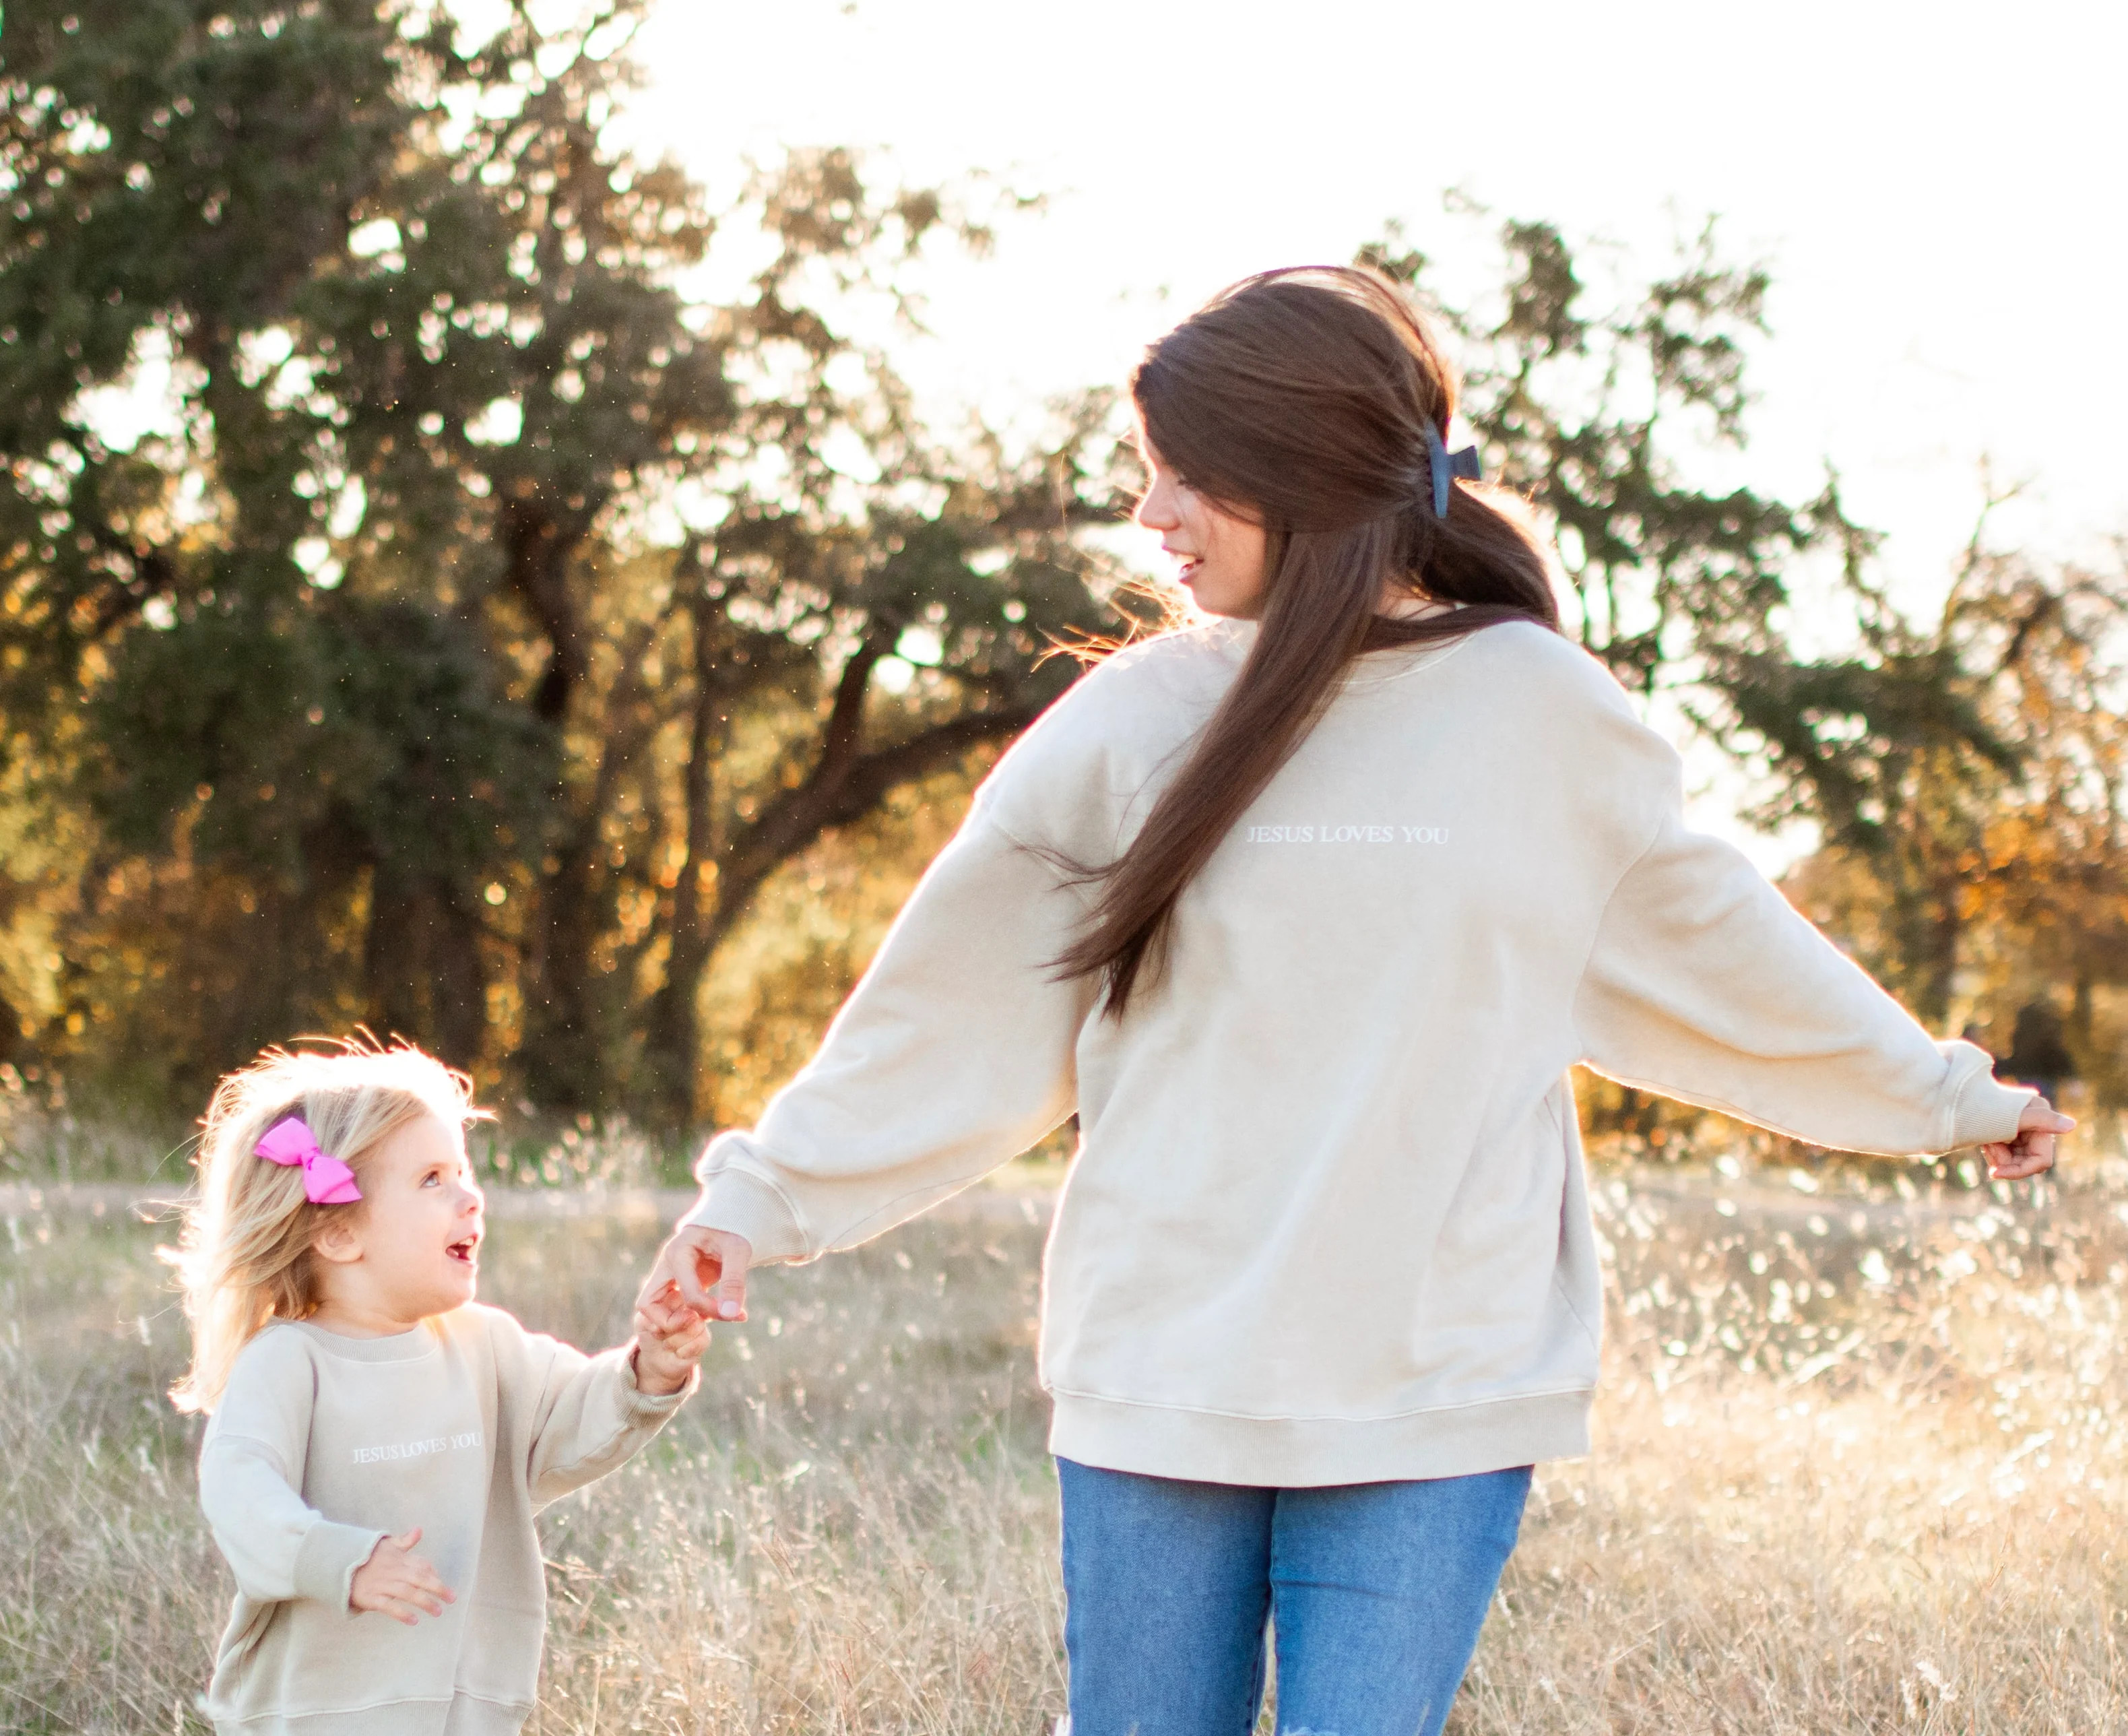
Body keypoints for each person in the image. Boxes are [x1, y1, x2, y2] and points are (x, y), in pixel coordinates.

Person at [640, 266, 2071, 1736]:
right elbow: (947, 1006)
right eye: (1147, 473)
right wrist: (757, 1200)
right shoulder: (1134, 719)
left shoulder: (1535, 711)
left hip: (1430, 1381)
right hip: (1161, 1367)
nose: (1149, 517)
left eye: (1187, 478)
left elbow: (1724, 950)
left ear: (1306, 477)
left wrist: (1946, 1095)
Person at [170, 1041, 710, 1736]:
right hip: (316, 1710)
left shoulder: (485, 1347)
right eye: (432, 1179)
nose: (471, 1195)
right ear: (336, 1234)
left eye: (463, 1171)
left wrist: (650, 1371)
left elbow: (575, 1419)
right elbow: (239, 1489)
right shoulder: (288, 1362)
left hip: (467, 1704)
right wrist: (342, 1560)